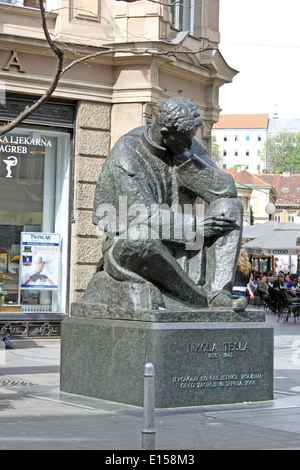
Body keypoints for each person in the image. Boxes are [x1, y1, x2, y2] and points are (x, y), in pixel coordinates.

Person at [92, 97, 244, 311]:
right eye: (184, 140)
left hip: (185, 245)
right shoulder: (127, 153)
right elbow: (141, 215)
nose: (190, 145)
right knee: (140, 238)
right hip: (134, 246)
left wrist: (186, 161)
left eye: (191, 139)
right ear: (165, 133)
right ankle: (199, 299)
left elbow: (226, 190)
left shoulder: (187, 146)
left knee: (230, 208)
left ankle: (219, 293)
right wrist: (196, 226)